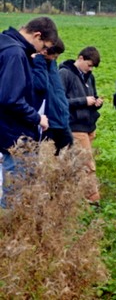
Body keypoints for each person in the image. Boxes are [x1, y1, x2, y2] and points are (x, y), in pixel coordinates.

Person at [0, 17, 57, 207]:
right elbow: (11, 99)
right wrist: (37, 117)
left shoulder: (4, 43)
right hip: (13, 134)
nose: (42, 52)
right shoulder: (15, 53)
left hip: (5, 130)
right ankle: (9, 233)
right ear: (37, 35)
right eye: (44, 47)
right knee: (14, 195)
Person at [59, 46, 103, 203]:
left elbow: (93, 95)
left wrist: (97, 102)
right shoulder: (65, 73)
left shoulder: (89, 77)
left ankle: (73, 198)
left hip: (89, 126)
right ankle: (92, 199)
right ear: (80, 58)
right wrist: (84, 101)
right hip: (75, 126)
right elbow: (60, 101)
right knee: (87, 165)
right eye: (89, 65)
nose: (90, 69)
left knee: (76, 164)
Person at [33, 38, 73, 154]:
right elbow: (40, 87)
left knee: (69, 157)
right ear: (45, 51)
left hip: (61, 120)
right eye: (55, 56)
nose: (56, 59)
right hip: (48, 123)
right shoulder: (36, 64)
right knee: (47, 161)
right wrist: (39, 60)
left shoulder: (52, 65)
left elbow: (58, 91)